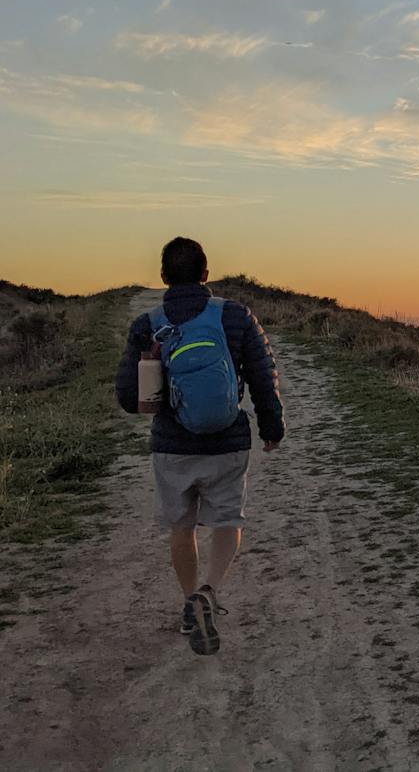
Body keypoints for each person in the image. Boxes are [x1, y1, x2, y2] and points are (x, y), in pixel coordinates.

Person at [116, 237, 285, 655]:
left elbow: (126, 396)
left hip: (172, 445)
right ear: (207, 274)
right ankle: (209, 593)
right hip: (227, 440)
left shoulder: (147, 324)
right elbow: (263, 377)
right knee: (228, 520)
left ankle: (189, 599)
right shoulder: (235, 316)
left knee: (182, 526)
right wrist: (272, 426)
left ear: (162, 278)